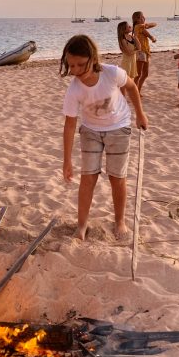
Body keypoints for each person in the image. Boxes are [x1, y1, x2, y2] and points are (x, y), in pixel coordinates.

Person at [60, 34, 148, 241]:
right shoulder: (74, 89)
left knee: (117, 178)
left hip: (119, 128)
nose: (75, 71)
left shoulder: (112, 73)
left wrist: (140, 114)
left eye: (80, 65)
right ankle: (81, 226)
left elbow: (132, 87)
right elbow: (70, 124)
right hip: (90, 131)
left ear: (93, 59)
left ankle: (120, 222)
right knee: (87, 178)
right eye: (71, 65)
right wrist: (66, 160)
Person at [132, 11, 157, 95]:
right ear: (137, 19)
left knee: (145, 74)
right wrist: (151, 37)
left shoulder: (141, 28)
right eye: (142, 17)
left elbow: (147, 33)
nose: (144, 18)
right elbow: (153, 25)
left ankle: (138, 91)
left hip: (145, 52)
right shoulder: (137, 26)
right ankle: (135, 92)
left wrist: (151, 37)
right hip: (140, 52)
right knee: (138, 74)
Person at [117, 21, 140, 88]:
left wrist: (135, 36)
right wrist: (136, 50)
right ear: (124, 29)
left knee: (130, 80)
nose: (130, 27)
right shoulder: (123, 40)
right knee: (124, 82)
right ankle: (123, 96)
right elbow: (129, 53)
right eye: (128, 26)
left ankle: (125, 96)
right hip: (127, 62)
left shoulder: (132, 37)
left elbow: (139, 47)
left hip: (133, 61)